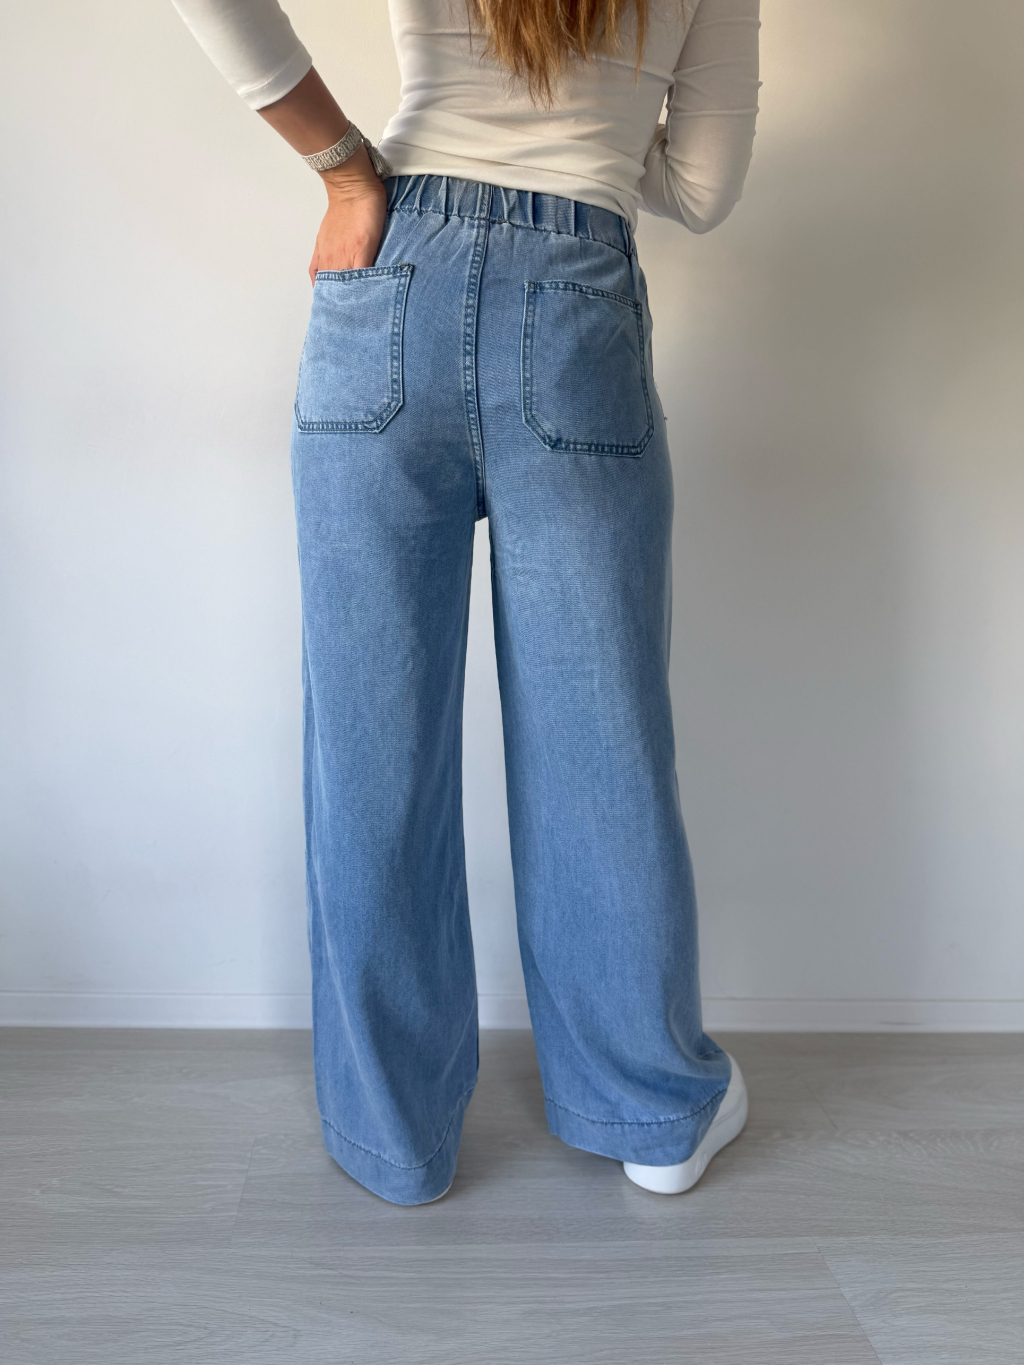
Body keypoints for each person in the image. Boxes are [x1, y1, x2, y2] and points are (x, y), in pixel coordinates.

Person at [172, 0, 759, 1205]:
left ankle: (394, 1140)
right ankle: (648, 1114)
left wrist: (345, 170)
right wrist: (595, 136)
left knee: (371, 740)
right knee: (600, 741)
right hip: (576, 297)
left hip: (390, 269)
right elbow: (700, 191)